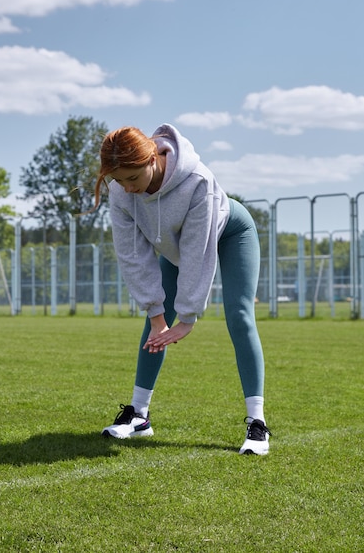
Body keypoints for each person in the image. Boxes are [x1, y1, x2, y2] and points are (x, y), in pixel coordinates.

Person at [93, 123, 271, 455]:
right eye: (119, 180)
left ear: (152, 159)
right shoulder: (121, 192)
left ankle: (257, 424)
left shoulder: (197, 182)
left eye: (133, 178)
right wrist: (158, 314)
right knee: (153, 324)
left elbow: (197, 251)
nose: (128, 188)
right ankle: (139, 416)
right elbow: (134, 256)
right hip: (180, 248)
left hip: (230, 232)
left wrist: (187, 318)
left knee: (240, 316)